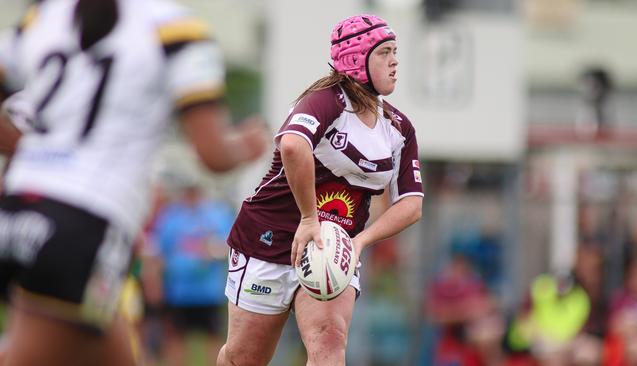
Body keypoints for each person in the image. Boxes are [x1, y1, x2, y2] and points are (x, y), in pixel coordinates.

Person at [0, 0, 267, 365]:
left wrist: (32, 152)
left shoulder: (45, 16)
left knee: (108, 346)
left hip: (16, 207)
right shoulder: (176, 29)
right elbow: (213, 154)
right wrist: (247, 145)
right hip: (85, 220)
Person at [217, 14, 423, 366]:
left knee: (329, 342)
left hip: (333, 249)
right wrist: (309, 218)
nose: (395, 61)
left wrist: (359, 242)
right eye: (384, 52)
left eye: (395, 51)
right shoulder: (326, 101)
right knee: (244, 358)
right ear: (357, 60)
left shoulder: (399, 127)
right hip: (270, 238)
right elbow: (293, 146)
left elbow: (412, 204)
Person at [154, 180, 233, 366]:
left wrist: (213, 251)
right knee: (175, 340)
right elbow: (159, 253)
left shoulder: (219, 213)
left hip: (209, 293)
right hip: (178, 293)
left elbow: (230, 248)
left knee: (213, 339)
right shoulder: (170, 216)